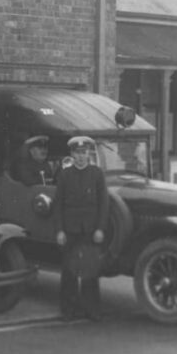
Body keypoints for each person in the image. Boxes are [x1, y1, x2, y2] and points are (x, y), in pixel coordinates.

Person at [55, 135, 109, 321]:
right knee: (69, 271)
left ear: (89, 153)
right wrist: (60, 230)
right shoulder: (64, 175)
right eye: (77, 153)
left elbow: (104, 204)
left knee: (90, 270)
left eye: (84, 152)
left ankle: (92, 309)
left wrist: (100, 229)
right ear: (72, 154)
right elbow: (58, 205)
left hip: (90, 230)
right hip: (70, 230)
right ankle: (68, 310)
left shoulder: (97, 174)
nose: (81, 156)